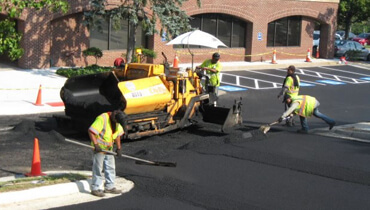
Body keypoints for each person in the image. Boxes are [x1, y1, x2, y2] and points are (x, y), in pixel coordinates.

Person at [88, 110, 125, 197]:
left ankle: (109, 187)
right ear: (114, 117)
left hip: (109, 148)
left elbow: (118, 134)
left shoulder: (117, 121)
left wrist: (119, 148)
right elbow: (91, 131)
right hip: (99, 148)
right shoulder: (102, 118)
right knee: (98, 168)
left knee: (110, 167)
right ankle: (95, 188)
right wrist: (96, 145)